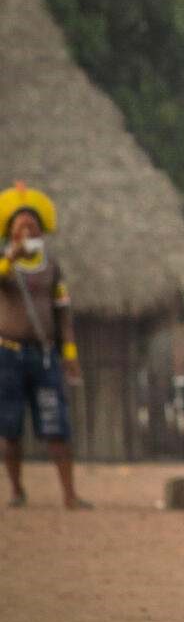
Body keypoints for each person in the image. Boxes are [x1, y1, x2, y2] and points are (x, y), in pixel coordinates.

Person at [1, 184, 86, 509]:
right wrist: (11, 256)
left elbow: (63, 311)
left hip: (45, 355)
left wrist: (70, 352)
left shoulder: (51, 266)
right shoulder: (5, 264)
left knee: (57, 424)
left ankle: (69, 495)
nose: (27, 229)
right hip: (7, 354)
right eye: (20, 225)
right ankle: (17, 491)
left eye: (32, 224)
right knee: (9, 427)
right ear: (9, 230)